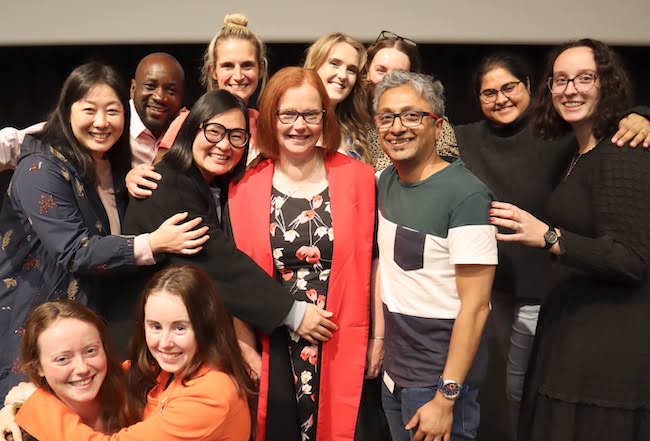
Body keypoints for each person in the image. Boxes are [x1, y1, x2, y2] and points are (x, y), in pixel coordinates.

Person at [453, 51, 650, 437]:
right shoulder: (573, 148)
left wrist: (643, 114)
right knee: (517, 402)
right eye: (561, 80)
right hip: (548, 311)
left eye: (584, 79)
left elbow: (632, 257)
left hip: (601, 332)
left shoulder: (605, 147)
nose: (570, 89)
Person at [0, 62, 207, 398]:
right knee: (29, 418)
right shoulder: (41, 166)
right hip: (34, 326)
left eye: (112, 111)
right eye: (89, 110)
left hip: (87, 331)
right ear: (68, 111)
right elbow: (76, 251)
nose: (101, 122)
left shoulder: (112, 165)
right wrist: (153, 243)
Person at [121, 89, 335, 354]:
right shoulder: (166, 183)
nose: (224, 145)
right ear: (192, 130)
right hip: (149, 344)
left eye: (236, 136)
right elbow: (218, 260)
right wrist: (294, 312)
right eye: (214, 131)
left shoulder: (219, 186)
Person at [227, 66, 375, 441]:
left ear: (325, 116)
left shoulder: (358, 178)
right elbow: (235, 278)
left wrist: (380, 338)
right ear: (271, 116)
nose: (299, 125)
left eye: (311, 114)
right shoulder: (244, 186)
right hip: (272, 341)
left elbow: (376, 262)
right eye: (287, 114)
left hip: (341, 338)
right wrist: (244, 349)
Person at [373, 71, 497, 441]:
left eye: (412, 116)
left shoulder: (467, 195)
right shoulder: (384, 181)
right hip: (396, 377)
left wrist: (446, 397)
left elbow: (476, 307)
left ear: (437, 125)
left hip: (437, 385)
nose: (397, 127)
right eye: (387, 117)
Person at [13, 265, 253, 441]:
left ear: (205, 326)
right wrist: (12, 406)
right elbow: (122, 374)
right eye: (155, 326)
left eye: (180, 327)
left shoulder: (211, 395)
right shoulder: (162, 372)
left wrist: (35, 402)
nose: (165, 342)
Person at [128, 13, 268, 199]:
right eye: (228, 65)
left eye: (247, 65)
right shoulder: (186, 121)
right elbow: (156, 184)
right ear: (213, 71)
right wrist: (134, 177)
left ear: (261, 70)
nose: (238, 75)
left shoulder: (267, 126)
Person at [0, 52, 186, 172]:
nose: (160, 97)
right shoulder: (113, 120)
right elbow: (29, 139)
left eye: (171, 90)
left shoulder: (185, 128)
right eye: (150, 86)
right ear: (132, 89)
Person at [0, 300, 135, 441]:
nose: (82, 368)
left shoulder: (141, 387)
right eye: (63, 359)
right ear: (37, 367)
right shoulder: (20, 433)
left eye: (90, 351)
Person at [362, 30, 458, 171]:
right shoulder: (352, 124)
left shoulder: (431, 124)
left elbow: (449, 176)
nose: (388, 80)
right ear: (367, 72)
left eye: (398, 74)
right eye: (381, 70)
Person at [304, 32, 369, 161]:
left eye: (351, 70)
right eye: (334, 63)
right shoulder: (288, 122)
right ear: (315, 65)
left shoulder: (358, 136)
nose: (343, 75)